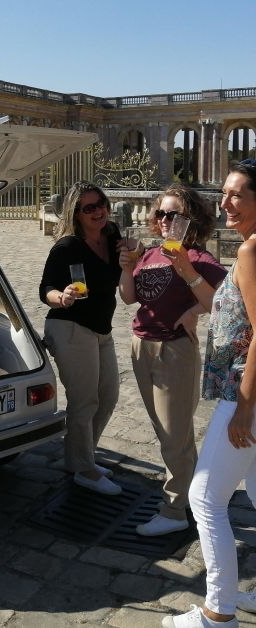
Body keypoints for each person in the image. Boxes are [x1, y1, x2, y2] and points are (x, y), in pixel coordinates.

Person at [162, 160, 256, 628]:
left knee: (205, 500)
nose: (226, 203)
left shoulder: (252, 253)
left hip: (246, 395)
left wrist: (243, 407)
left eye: (238, 194)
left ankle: (218, 615)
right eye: (224, 193)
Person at [119, 183, 226, 536]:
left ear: (190, 219)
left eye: (174, 214)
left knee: (174, 434)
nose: (165, 220)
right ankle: (194, 497)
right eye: (161, 213)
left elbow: (225, 300)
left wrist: (193, 302)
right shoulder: (149, 254)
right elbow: (130, 298)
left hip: (174, 350)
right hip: (141, 345)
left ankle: (174, 511)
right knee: (165, 430)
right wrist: (125, 266)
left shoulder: (197, 258)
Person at [39, 181, 123, 495]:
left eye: (100, 203)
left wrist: (131, 253)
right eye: (89, 208)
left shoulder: (112, 234)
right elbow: (44, 288)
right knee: (84, 401)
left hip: (102, 328)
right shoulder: (67, 247)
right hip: (70, 327)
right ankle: (84, 469)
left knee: (109, 396)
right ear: (76, 213)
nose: (98, 211)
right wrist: (61, 296)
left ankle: (80, 457)